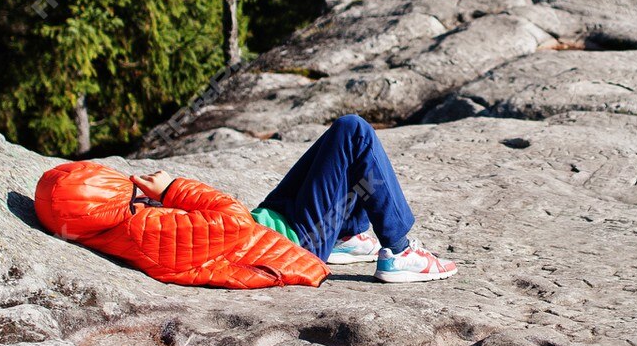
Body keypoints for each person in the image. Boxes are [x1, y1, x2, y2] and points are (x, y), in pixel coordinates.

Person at [33, 114, 456, 289]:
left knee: (339, 147)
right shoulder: (146, 230)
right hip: (293, 241)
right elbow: (231, 224)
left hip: (271, 225)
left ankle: (345, 233)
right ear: (97, 200)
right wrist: (172, 190)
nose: (118, 181)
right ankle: (399, 252)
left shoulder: (118, 227)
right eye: (105, 182)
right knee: (354, 131)